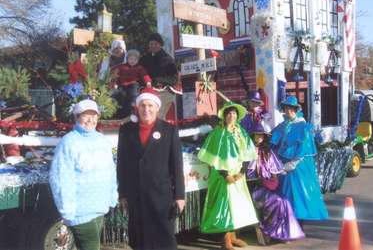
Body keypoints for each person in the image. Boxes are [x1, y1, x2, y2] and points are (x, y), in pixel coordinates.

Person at [117, 87, 185, 250]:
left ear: (157, 107)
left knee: (165, 238)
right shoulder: (126, 130)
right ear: (137, 107)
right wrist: (123, 194)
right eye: (143, 105)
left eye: (150, 106)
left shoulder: (169, 130)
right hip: (136, 196)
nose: (146, 109)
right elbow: (122, 164)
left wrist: (180, 196)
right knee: (139, 239)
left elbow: (176, 165)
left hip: (161, 196)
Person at [49, 99, 118, 250]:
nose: (90, 119)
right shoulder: (69, 142)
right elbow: (60, 178)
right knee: (91, 246)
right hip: (79, 211)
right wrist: (67, 209)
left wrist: (112, 196)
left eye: (94, 115)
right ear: (76, 117)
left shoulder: (101, 140)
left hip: (100, 207)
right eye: (86, 115)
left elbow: (110, 171)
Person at [198, 101, 259, 250]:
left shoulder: (240, 131)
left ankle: (233, 236)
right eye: (229, 114)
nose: (232, 116)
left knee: (236, 206)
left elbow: (248, 154)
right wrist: (226, 175)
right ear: (224, 116)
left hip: (238, 176)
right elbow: (214, 158)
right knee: (225, 208)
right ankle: (225, 241)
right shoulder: (218, 133)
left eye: (234, 114)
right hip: (222, 177)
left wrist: (241, 172)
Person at [271, 96, 328, 222]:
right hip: (283, 166)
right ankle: (288, 223)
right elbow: (272, 141)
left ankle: (298, 224)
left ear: (296, 110)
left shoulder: (303, 126)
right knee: (286, 196)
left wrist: (291, 164)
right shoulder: (282, 125)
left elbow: (304, 149)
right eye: (286, 108)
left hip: (298, 167)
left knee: (298, 195)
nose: (288, 111)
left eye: (291, 108)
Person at [247, 123, 304, 243]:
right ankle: (270, 232)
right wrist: (261, 180)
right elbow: (248, 174)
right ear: (252, 137)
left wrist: (274, 179)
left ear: (264, 137)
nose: (259, 138)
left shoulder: (268, 152)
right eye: (257, 136)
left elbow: (275, 170)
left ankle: (282, 233)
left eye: (261, 136)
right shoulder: (248, 152)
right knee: (277, 201)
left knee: (285, 200)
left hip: (268, 187)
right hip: (255, 188)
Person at [139, 33, 179, 119]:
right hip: (147, 90)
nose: (153, 46)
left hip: (164, 91)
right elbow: (139, 72)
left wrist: (158, 80)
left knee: (157, 116)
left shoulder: (168, 60)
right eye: (151, 44)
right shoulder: (144, 58)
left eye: (156, 44)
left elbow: (174, 79)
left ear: (160, 45)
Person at [110, 49, 152, 119]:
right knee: (117, 95)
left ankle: (132, 110)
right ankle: (116, 113)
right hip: (122, 85)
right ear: (127, 59)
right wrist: (114, 83)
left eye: (135, 59)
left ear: (138, 60)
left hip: (133, 85)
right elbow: (114, 73)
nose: (132, 61)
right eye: (131, 59)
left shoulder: (139, 68)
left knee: (132, 95)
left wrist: (148, 82)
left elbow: (145, 75)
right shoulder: (122, 67)